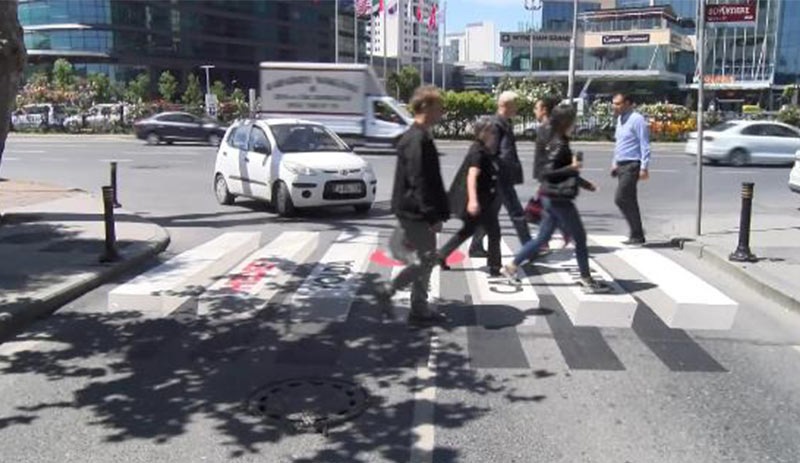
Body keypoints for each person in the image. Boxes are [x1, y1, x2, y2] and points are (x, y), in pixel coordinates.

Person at [501, 104, 610, 294]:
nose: (576, 122)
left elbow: (556, 171)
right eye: (574, 119)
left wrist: (584, 183)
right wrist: (572, 168)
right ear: (566, 122)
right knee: (580, 238)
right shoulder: (560, 143)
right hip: (558, 199)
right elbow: (547, 172)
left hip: (550, 197)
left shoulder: (558, 140)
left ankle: (511, 267)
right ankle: (587, 279)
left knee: (543, 237)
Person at [377, 86, 450, 325]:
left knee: (424, 258)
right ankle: (400, 296)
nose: (442, 113)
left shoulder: (418, 135)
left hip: (412, 209)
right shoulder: (417, 138)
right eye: (439, 108)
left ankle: (416, 305)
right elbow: (420, 180)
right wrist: (432, 215)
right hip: (415, 211)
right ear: (425, 107)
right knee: (426, 259)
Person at [469, 91, 531, 257]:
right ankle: (530, 249)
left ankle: (475, 246)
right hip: (500, 177)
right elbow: (494, 152)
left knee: (491, 213)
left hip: (499, 176)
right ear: (506, 106)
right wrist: (504, 169)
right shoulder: (497, 125)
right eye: (515, 105)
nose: (517, 108)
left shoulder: (503, 123)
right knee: (517, 213)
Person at [438, 116, 502, 276]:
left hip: (482, 199)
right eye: (490, 131)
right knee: (494, 232)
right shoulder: (478, 152)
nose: (493, 134)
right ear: (482, 132)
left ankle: (441, 255)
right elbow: (472, 176)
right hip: (480, 201)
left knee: (467, 231)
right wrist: (473, 201)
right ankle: (495, 266)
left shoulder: (482, 149)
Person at [611, 92, 650, 246]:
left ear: (628, 103)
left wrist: (644, 167)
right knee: (630, 201)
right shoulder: (620, 119)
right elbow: (619, 143)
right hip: (621, 165)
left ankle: (637, 232)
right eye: (614, 103)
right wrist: (614, 162)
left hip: (632, 164)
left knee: (620, 198)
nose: (615, 106)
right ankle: (637, 234)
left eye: (618, 103)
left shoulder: (637, 119)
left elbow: (645, 144)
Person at [533, 96, 571, 251]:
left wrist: (543, 175)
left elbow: (548, 154)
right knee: (548, 209)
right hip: (547, 173)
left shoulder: (547, 128)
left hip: (548, 174)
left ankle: (545, 241)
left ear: (544, 110)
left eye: (536, 108)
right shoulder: (547, 126)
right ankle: (563, 233)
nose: (534, 111)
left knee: (547, 208)